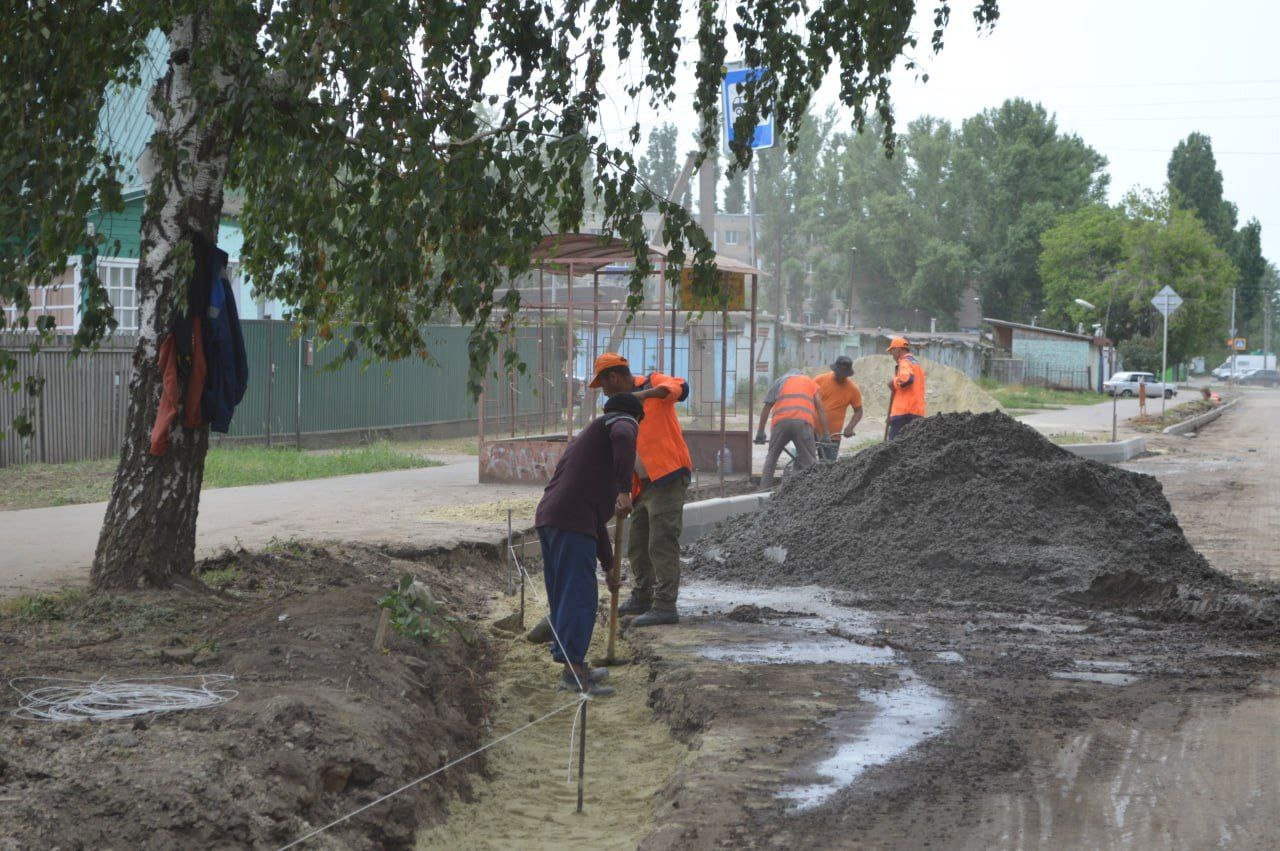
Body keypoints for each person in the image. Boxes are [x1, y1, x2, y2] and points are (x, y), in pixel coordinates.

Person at [533, 392, 643, 696]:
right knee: (579, 596)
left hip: (553, 517)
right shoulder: (621, 422)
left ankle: (574, 665)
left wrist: (608, 567)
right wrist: (624, 490)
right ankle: (572, 675)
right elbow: (624, 432)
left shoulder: (590, 448)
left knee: (564, 595)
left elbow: (597, 524)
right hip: (569, 521)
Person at [591, 353, 692, 628]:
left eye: (604, 385)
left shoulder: (652, 381)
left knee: (661, 542)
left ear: (612, 377)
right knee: (637, 545)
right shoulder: (617, 406)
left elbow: (680, 388)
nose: (604, 392)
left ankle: (665, 605)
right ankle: (643, 596)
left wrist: (641, 397)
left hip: (668, 476)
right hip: (642, 484)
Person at [755, 370, 826, 490]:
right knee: (809, 462)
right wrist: (826, 433)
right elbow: (821, 410)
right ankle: (814, 492)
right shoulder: (810, 382)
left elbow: (766, 408)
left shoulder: (779, 381)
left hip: (781, 424)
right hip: (803, 424)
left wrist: (760, 432)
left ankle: (762, 491)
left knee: (771, 459)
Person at [814, 355, 863, 460]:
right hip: (812, 431)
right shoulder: (819, 380)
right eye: (838, 373)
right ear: (834, 369)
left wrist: (850, 427)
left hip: (833, 436)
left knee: (828, 466)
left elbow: (858, 411)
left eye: (843, 374)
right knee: (805, 463)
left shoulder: (853, 389)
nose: (840, 376)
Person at [885, 336, 925, 441]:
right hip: (917, 412)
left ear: (898, 349)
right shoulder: (916, 364)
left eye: (892, 351)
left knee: (892, 448)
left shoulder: (904, 362)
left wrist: (893, 382)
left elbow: (907, 379)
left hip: (904, 413)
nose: (891, 354)